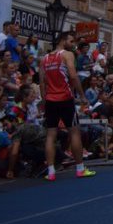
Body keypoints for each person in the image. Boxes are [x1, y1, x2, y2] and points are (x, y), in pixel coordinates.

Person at [40, 31, 95, 181]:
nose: (73, 45)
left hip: (51, 99)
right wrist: (82, 95)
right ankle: (80, 168)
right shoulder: (67, 55)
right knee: (74, 132)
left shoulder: (44, 59)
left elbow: (42, 83)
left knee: (51, 135)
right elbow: (73, 76)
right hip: (65, 98)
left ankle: (50, 172)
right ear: (63, 41)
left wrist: (44, 102)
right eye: (71, 41)